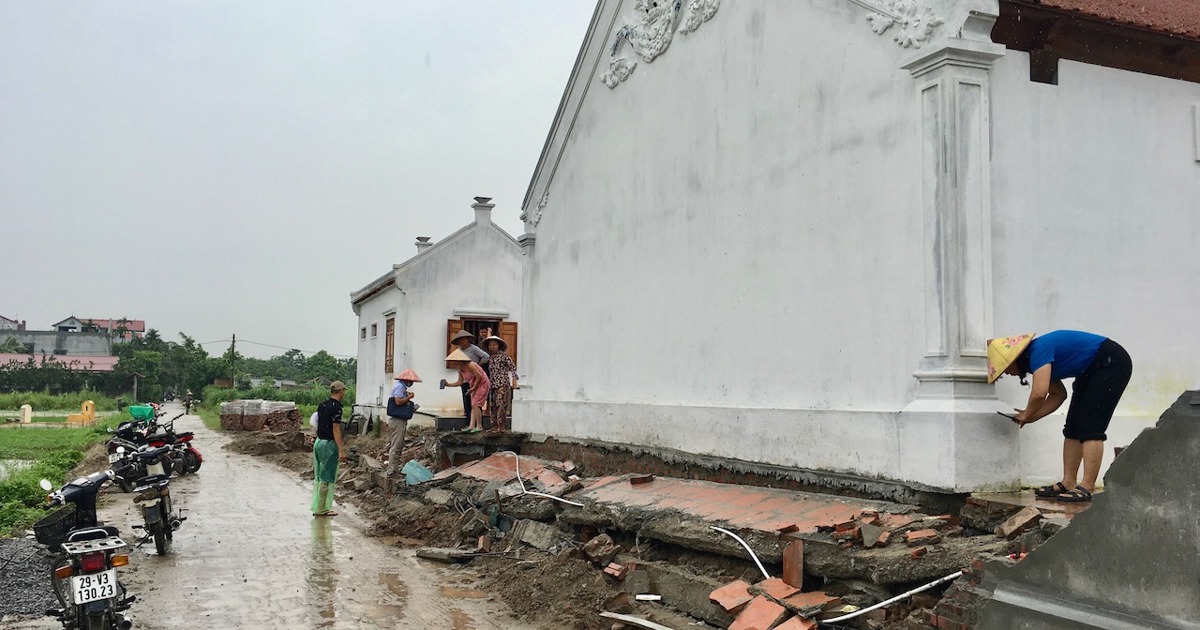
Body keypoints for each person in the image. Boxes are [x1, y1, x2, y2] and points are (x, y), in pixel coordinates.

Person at [988, 330, 1133, 503]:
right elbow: (1058, 394)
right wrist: (1031, 417)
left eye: (1005, 368)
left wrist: (1027, 413)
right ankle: (1069, 482)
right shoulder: (1038, 359)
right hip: (1090, 369)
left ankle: (1087, 486)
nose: (1007, 373)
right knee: (1073, 427)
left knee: (1091, 427)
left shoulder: (1038, 351)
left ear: (1013, 360)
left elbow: (1039, 394)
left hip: (1111, 363)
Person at [312, 380, 348, 517]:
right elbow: (336, 430)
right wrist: (341, 449)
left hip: (319, 442)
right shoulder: (337, 407)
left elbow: (315, 422)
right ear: (340, 391)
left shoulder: (322, 405)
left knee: (319, 475)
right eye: (343, 391)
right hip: (328, 444)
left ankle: (319, 506)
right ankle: (321, 509)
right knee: (326, 478)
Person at [444, 348, 490, 433]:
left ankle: (479, 426)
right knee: (473, 405)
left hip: (482, 384)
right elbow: (460, 382)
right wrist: (448, 384)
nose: (454, 363)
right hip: (473, 385)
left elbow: (479, 376)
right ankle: (471, 426)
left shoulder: (470, 365)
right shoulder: (460, 369)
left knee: (476, 404)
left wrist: (474, 388)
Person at [386, 369, 421, 475]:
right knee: (396, 445)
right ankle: (391, 470)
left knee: (398, 445)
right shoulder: (400, 387)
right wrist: (409, 397)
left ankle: (394, 468)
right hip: (398, 421)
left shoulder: (401, 387)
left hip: (398, 421)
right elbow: (398, 401)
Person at [450, 329, 489, 421]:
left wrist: (477, 366)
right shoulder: (459, 351)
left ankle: (478, 423)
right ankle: (469, 423)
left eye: (463, 339)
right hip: (465, 378)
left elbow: (486, 356)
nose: (462, 341)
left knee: (476, 402)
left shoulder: (473, 348)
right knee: (467, 402)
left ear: (468, 339)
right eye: (460, 340)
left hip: (475, 378)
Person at [482, 336, 518, 433]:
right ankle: (494, 425)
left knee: (501, 404)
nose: (492, 347)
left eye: (494, 344)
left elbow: (513, 367)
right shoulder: (489, 358)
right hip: (493, 384)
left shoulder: (503, 356)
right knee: (493, 405)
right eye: (490, 345)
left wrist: (514, 379)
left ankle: (501, 426)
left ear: (498, 346)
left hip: (502, 383)